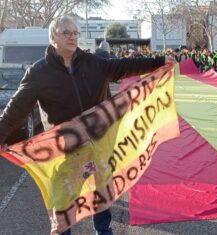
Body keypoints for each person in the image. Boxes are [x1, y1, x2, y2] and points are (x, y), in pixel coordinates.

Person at [0, 16, 175, 235]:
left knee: (101, 192)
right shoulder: (38, 73)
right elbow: (15, 110)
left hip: (100, 144)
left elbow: (125, 67)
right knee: (63, 202)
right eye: (66, 33)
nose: (72, 36)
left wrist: (158, 62)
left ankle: (103, 230)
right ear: (53, 36)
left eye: (75, 32)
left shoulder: (94, 63)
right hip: (65, 151)